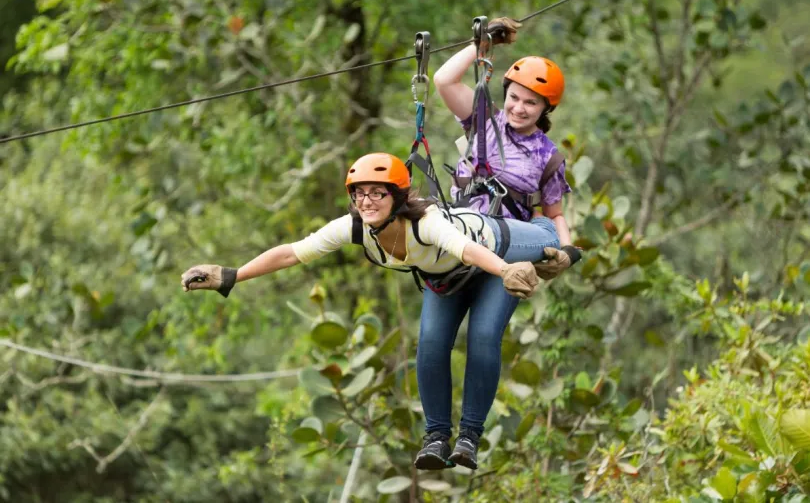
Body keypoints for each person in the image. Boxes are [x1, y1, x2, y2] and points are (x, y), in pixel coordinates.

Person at [180, 152, 561, 470]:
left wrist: (507, 268)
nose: (367, 202)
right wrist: (231, 275)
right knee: (429, 345)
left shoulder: (426, 222)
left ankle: (469, 437)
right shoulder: (355, 227)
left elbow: (464, 249)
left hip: (497, 250)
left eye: (377, 194)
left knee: (489, 326)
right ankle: (436, 439)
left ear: (396, 197)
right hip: (449, 281)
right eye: (359, 194)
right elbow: (292, 252)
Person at [433, 16, 582, 279]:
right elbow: (444, 81)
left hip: (508, 249)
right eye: (514, 97)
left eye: (531, 103)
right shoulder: (484, 118)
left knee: (485, 323)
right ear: (506, 94)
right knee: (434, 324)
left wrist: (567, 251)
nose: (519, 108)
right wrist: (480, 46)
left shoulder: (548, 156)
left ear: (546, 108)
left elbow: (554, 214)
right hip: (459, 238)